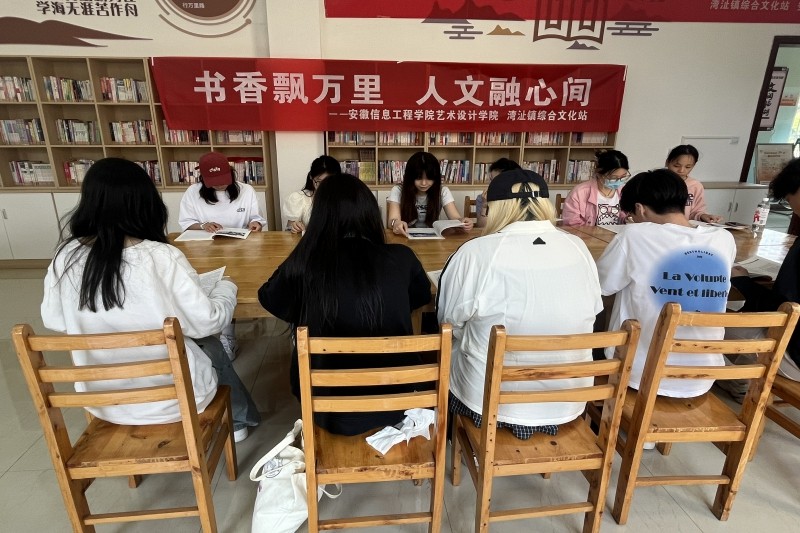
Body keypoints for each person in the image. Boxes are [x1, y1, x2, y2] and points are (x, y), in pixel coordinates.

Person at [41, 158, 260, 442]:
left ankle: (239, 419)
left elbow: (54, 319)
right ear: (146, 203)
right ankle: (239, 419)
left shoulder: (65, 256)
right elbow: (208, 322)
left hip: (102, 401)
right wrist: (226, 287)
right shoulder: (160, 256)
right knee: (207, 342)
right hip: (176, 400)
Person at [258, 173, 432, 436]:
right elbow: (420, 297)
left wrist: (306, 249)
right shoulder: (402, 257)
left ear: (320, 217)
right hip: (397, 403)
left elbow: (270, 298)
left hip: (325, 410)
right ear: (369, 213)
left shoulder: (307, 261)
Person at [437, 168, 603, 438]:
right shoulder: (578, 247)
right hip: (568, 398)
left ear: (494, 208)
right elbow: (594, 309)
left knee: (453, 344)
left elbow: (447, 321)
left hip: (489, 402)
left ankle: (471, 443)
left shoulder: (475, 252)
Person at [596, 169, 736, 398]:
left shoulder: (634, 236)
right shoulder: (724, 239)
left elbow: (601, 286)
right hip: (703, 374)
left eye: (631, 215)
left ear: (640, 209)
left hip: (639, 373)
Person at [721, 159, 800, 401]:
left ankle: (730, 378)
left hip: (793, 354)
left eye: (789, 197)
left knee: (703, 324)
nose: (789, 204)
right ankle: (738, 381)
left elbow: (783, 309)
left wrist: (743, 282)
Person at [178, 151, 267, 359]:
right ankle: (218, 333)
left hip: (242, 250)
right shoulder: (193, 192)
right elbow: (186, 223)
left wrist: (255, 224)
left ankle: (227, 334)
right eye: (214, 182)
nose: (220, 185)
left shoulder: (246, 190)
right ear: (203, 179)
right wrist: (203, 225)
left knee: (238, 287)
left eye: (224, 180)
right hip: (206, 250)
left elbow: (256, 218)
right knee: (208, 289)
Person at [387, 151, 474, 237]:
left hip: (433, 237)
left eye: (429, 178)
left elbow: (455, 218)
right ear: (410, 177)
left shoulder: (442, 191)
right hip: (404, 236)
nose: (424, 183)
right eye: (418, 178)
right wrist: (395, 223)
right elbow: (392, 220)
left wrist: (463, 221)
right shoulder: (398, 190)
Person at [562, 149, 631, 226]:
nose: (618, 181)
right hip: (587, 234)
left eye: (623, 177)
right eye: (613, 177)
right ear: (599, 173)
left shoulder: (624, 191)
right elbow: (572, 224)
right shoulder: (580, 192)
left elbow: (627, 215)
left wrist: (627, 219)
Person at [281, 155, 341, 233]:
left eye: (330, 182)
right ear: (311, 177)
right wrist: (294, 227)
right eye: (319, 182)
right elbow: (289, 229)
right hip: (309, 240)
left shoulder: (344, 199)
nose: (325, 187)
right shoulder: (298, 198)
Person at [665, 144, 723, 223]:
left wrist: (703, 216)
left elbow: (696, 211)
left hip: (683, 227)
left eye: (688, 167)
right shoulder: (655, 182)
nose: (681, 170)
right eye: (676, 166)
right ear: (667, 162)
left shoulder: (695, 186)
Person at [475, 157, 521, 228]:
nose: (491, 184)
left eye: (496, 181)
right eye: (491, 179)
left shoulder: (524, 197)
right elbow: (482, 227)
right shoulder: (483, 198)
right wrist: (485, 206)